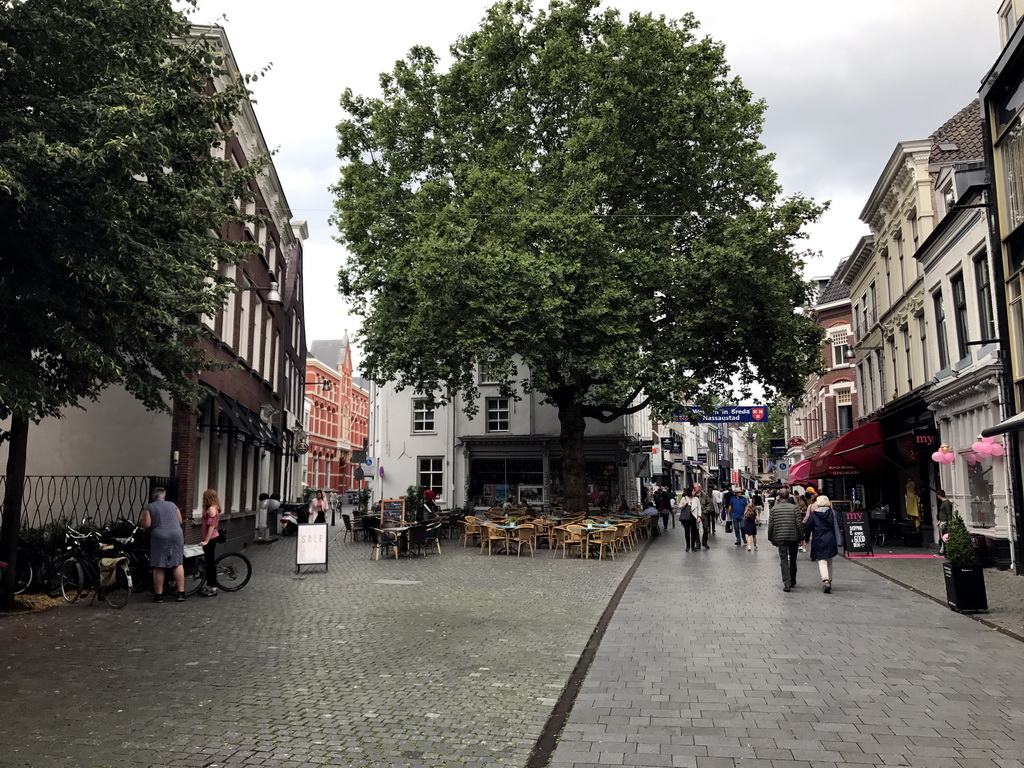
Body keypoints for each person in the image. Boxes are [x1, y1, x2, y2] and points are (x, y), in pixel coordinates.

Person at [141, 487, 185, 603]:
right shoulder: (173, 505)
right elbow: (180, 521)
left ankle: (159, 595)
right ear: (163, 496)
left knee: (159, 565)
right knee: (177, 563)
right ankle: (181, 593)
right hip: (176, 535)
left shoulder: (149, 507)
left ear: (153, 497)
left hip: (159, 536)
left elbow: (146, 524)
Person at [767, 488, 803, 591]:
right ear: (788, 497)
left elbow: (771, 525)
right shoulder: (794, 508)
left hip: (780, 537)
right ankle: (792, 580)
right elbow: (799, 524)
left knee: (783, 559)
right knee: (793, 558)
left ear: (779, 497)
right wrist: (801, 537)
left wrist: (771, 538)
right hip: (793, 537)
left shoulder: (774, 509)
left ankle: (786, 583)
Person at [804, 494, 841, 593]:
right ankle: (830, 579)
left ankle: (825, 580)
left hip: (819, 538)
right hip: (831, 538)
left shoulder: (814, 514)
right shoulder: (833, 513)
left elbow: (808, 527)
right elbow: (840, 524)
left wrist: (806, 538)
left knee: (822, 561)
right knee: (829, 561)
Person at [198, 489, 221, 597]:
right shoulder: (212, 508)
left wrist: (206, 541)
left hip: (211, 538)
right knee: (208, 561)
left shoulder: (212, 509)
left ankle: (213, 587)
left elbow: (211, 526)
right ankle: (209, 585)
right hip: (209, 538)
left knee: (210, 563)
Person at [935, 489, 953, 557]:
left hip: (944, 521)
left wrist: (949, 522)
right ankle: (943, 550)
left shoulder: (946, 503)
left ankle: (942, 551)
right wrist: (939, 521)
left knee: (944, 537)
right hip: (942, 521)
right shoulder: (944, 503)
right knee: (943, 536)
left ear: (939, 495)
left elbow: (949, 513)